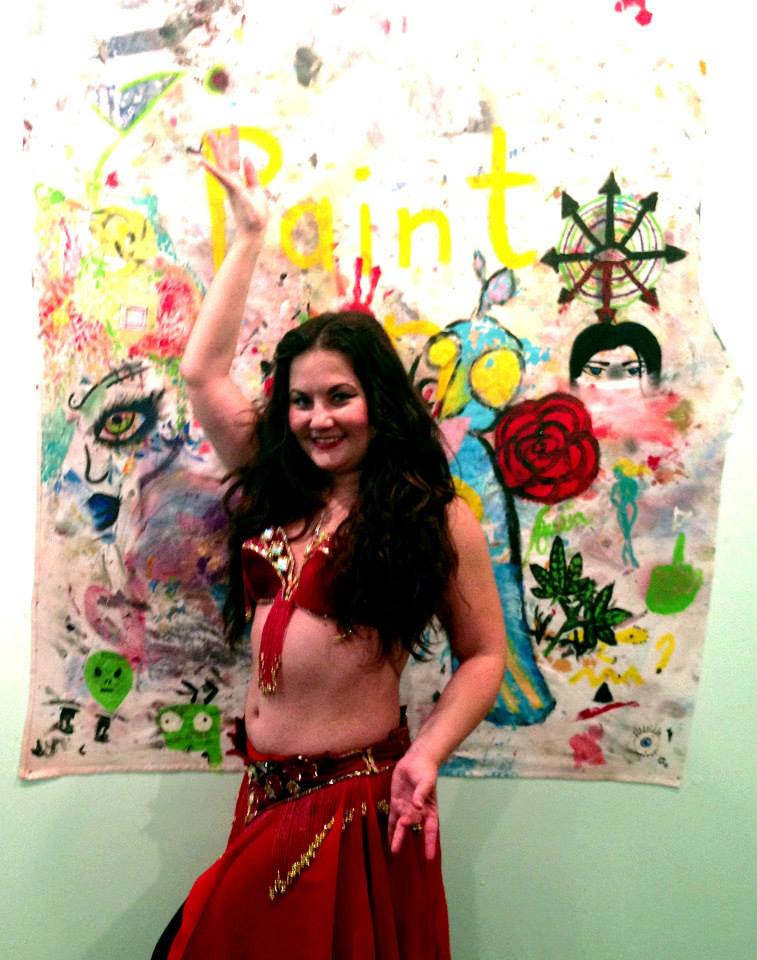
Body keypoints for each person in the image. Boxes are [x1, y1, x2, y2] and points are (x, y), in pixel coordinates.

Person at [152, 127, 507, 960]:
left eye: (339, 396)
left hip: (350, 806)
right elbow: (202, 373)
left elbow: (485, 654)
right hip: (262, 797)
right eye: (301, 400)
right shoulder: (277, 485)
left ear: (377, 399)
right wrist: (249, 236)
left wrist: (429, 752)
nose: (318, 418)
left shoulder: (432, 517)